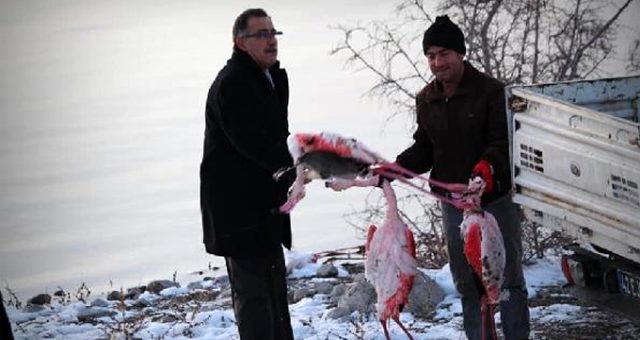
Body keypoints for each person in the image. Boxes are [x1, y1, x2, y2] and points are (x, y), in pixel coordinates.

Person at [387, 15, 530, 340]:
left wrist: (485, 172)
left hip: (494, 203)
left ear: (461, 53)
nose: (438, 62)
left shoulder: (491, 92)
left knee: (507, 279)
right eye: (431, 56)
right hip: (452, 206)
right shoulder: (427, 99)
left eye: (445, 54)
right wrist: (394, 169)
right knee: (468, 282)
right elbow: (424, 149)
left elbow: (502, 143)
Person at [199, 8, 294, 340]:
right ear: (241, 42)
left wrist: (306, 163)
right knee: (254, 300)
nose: (271, 40)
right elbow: (252, 144)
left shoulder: (271, 77)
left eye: (273, 33)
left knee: (275, 293)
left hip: (265, 204)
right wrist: (294, 170)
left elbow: (279, 139)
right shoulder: (231, 85)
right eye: (262, 34)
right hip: (236, 210)